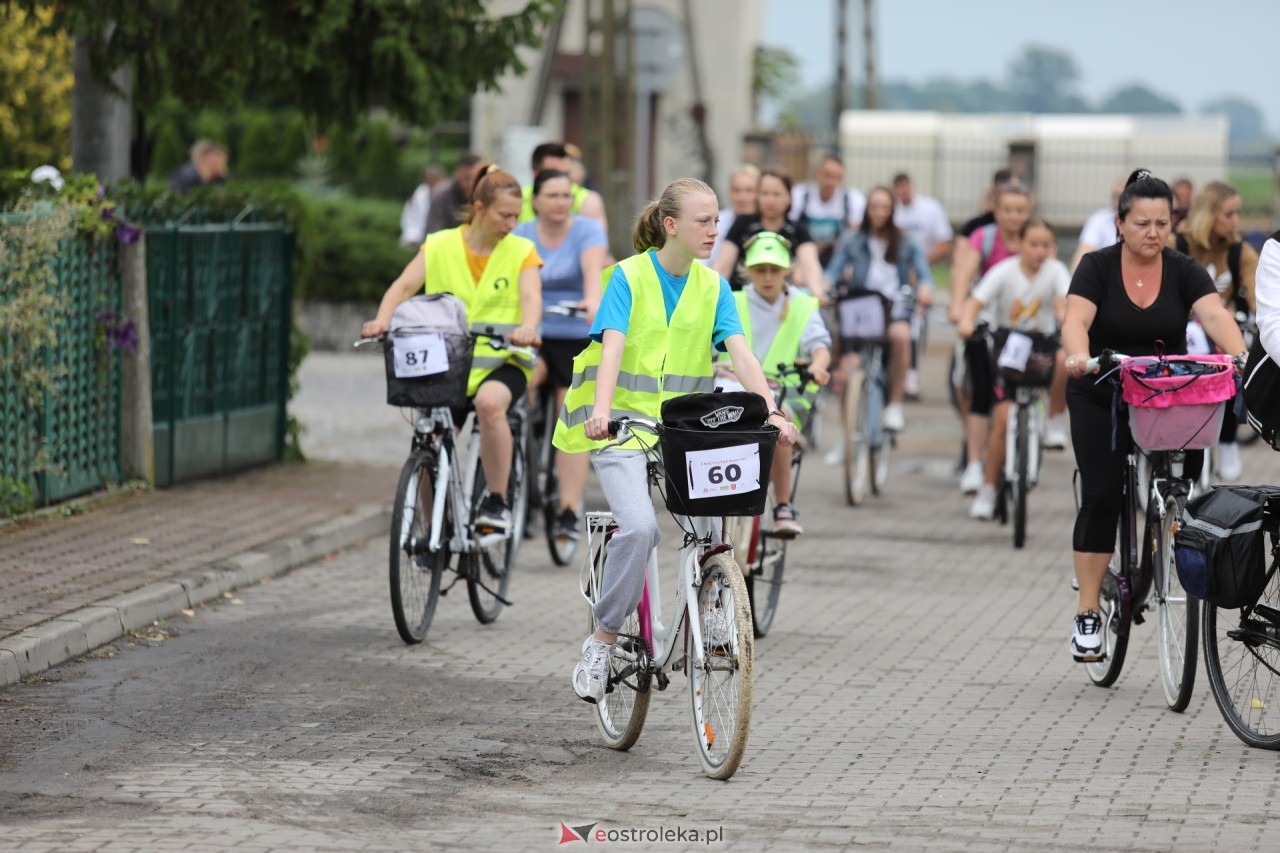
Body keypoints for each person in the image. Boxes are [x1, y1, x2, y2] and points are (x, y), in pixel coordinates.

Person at [553, 178, 799, 704]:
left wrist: (773, 412)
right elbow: (613, 346)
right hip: (622, 425)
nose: (714, 230)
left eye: (716, 220)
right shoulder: (627, 277)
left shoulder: (713, 287)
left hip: (683, 431)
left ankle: (711, 614)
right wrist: (600, 412)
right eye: (703, 221)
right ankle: (602, 640)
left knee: (713, 531)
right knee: (640, 529)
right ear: (671, 226)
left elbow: (740, 353)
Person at [1061, 169, 1247, 663]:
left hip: (1165, 396)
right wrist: (1079, 355)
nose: (1153, 232)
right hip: (1100, 390)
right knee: (1103, 496)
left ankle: (1165, 526)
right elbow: (1075, 320)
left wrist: (1240, 354)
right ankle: (1087, 612)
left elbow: (1214, 315)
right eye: (1142, 222)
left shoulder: (1184, 269)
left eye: (1162, 223)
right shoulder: (1096, 268)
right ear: (1119, 223)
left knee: (1182, 488)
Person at [363, 165, 543, 533]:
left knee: (490, 404)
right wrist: (382, 319)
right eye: (504, 215)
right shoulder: (441, 244)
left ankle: (497, 500)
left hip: (501, 361)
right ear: (479, 208)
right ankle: (433, 529)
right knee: (429, 437)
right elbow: (402, 286)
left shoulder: (522, 250)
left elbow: (531, 297)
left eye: (516, 216)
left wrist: (528, 327)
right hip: (449, 363)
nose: (511, 223)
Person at [512, 169, 608, 537]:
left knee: (570, 408)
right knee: (524, 385)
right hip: (534, 332)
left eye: (566, 196)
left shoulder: (587, 230)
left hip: (573, 332)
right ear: (534, 200)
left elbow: (591, 269)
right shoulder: (521, 235)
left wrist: (592, 299)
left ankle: (568, 507)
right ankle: (529, 439)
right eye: (551, 196)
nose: (560, 203)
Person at [955, 218, 1069, 519]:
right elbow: (975, 302)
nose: (1039, 251)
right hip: (1008, 349)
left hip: (1042, 349)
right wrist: (967, 321)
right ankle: (989, 488)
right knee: (1003, 417)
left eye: (1046, 245)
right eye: (1033, 244)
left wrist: (1063, 315)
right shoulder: (1003, 271)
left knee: (1064, 359)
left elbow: (1063, 302)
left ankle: (1055, 420)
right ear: (1018, 245)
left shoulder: (1056, 271)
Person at [719, 232, 831, 536]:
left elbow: (820, 346)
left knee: (782, 420)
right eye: (760, 270)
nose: (767, 277)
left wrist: (819, 366)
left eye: (774, 270)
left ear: (787, 271)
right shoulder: (733, 300)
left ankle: (783, 504)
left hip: (784, 386)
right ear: (748, 271)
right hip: (732, 383)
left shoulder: (803, 305)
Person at [1169, 180, 1260, 480]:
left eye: (1238, 213)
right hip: (1184, 329)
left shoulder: (1240, 251)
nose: (1236, 221)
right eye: (1229, 214)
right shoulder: (1176, 244)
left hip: (1224, 329)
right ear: (1208, 214)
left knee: (1238, 364)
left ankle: (1228, 439)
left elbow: (1258, 293)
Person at [824, 186, 933, 434]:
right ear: (866, 210)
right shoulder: (853, 240)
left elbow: (925, 275)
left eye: (884, 207)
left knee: (901, 336)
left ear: (893, 211)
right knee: (847, 370)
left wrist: (925, 289)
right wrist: (824, 285)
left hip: (894, 305)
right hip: (862, 305)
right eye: (874, 206)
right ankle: (849, 434)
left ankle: (894, 405)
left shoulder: (907, 241)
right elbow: (833, 270)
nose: (879, 212)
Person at [949, 182, 1034, 493]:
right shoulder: (983, 239)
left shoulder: (1034, 241)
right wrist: (959, 309)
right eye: (1008, 210)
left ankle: (1030, 438)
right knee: (981, 392)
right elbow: (962, 275)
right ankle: (973, 462)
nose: (1014, 216)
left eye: (1020, 210)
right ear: (996, 211)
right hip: (987, 324)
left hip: (1026, 328)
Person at [715, 167, 828, 300]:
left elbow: (810, 265)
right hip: (742, 300)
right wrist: (713, 293)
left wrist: (817, 292)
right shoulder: (743, 224)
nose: (770, 200)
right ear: (757, 196)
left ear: (789, 197)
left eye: (776, 194)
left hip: (784, 303)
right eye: (765, 193)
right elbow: (723, 265)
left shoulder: (797, 229)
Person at [891, 171, 953, 400]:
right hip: (895, 276)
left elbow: (944, 242)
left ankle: (911, 373)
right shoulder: (892, 211)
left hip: (918, 276)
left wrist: (919, 262)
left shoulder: (930, 209)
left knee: (914, 326)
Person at [788, 153, 866, 268]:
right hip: (803, 260)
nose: (831, 182)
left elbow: (855, 235)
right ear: (817, 173)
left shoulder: (851, 200)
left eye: (837, 177)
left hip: (836, 263)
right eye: (827, 175)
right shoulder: (800, 195)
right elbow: (790, 228)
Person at [518, 142, 607, 230]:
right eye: (553, 174)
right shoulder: (518, 198)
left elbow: (596, 238)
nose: (561, 203)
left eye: (566, 173)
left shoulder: (587, 200)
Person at [892, 173, 953, 266]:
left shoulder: (931, 207)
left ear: (912, 186)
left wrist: (922, 260)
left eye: (905, 186)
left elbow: (944, 242)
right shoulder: (892, 209)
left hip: (926, 261)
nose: (903, 191)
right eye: (899, 187)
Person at [706, 163, 760, 266]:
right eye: (737, 190)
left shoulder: (768, 222)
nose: (742, 197)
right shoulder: (716, 221)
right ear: (729, 193)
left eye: (749, 190)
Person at [425, 153, 484, 235]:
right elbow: (434, 232)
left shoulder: (486, 194)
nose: (472, 183)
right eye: (467, 178)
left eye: (477, 178)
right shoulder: (441, 196)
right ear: (457, 174)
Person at [1070, 181, 1123, 272]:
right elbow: (1083, 255)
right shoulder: (1098, 219)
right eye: (1115, 196)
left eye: (1122, 196)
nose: (1117, 201)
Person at [399, 164, 444, 247]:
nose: (431, 183)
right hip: (416, 238)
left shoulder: (445, 195)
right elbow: (408, 219)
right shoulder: (418, 195)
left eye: (434, 180)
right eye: (429, 179)